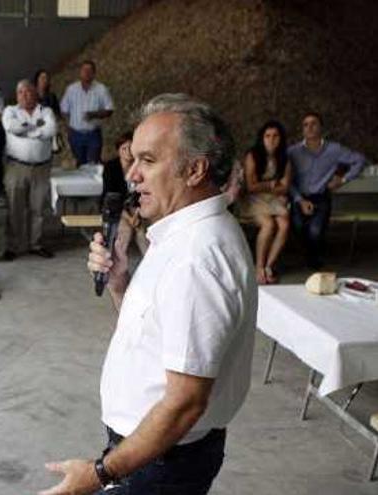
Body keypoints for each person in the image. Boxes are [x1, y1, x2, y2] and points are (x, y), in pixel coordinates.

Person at [42, 93, 255, 495]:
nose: (132, 175)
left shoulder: (196, 258)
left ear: (194, 170)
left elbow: (184, 404)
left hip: (161, 462)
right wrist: (121, 283)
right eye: (132, 159)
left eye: (148, 161)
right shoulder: (182, 234)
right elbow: (156, 337)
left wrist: (101, 473)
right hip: (153, 451)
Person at [288, 112, 366, 269]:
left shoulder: (334, 149)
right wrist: (299, 200)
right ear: (302, 130)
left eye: (313, 123)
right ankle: (310, 255)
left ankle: (314, 260)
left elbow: (360, 160)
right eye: (305, 125)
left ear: (321, 127)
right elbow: (286, 180)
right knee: (297, 228)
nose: (309, 127)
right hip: (298, 197)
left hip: (321, 196)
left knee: (315, 232)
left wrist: (343, 179)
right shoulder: (292, 152)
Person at [0, 79, 57, 261]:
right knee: (15, 207)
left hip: (42, 167)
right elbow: (11, 127)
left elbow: (51, 130)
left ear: (35, 93)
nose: (24, 95)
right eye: (20, 92)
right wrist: (36, 128)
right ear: (16, 96)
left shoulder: (46, 111)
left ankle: (36, 244)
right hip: (16, 166)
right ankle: (13, 246)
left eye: (28, 91)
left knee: (38, 208)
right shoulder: (10, 111)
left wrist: (27, 130)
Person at [243, 121, 292, 284]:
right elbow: (251, 187)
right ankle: (259, 267)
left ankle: (269, 266)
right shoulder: (253, 155)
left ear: (281, 139)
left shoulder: (285, 158)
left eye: (276, 136)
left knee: (284, 225)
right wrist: (272, 184)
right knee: (269, 225)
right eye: (268, 136)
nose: (271, 140)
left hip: (274, 200)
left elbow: (285, 188)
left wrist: (265, 186)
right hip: (254, 200)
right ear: (262, 138)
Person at [60, 60, 114, 164]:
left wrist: (94, 114)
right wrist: (69, 126)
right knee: (80, 164)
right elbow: (64, 109)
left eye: (90, 71)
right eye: (84, 70)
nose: (86, 73)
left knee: (94, 164)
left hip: (93, 134)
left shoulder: (101, 89)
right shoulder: (71, 89)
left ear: (94, 73)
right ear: (80, 72)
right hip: (75, 134)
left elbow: (109, 110)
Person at [101, 131, 134, 206]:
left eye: (131, 148)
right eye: (124, 148)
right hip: (114, 205)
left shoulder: (141, 165)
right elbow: (109, 192)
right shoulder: (110, 167)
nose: (128, 152)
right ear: (118, 151)